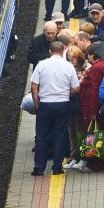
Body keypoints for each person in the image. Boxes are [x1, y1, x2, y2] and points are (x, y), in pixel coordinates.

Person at [30, 39, 80, 176]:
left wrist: (36, 104)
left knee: (41, 137)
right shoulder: (68, 66)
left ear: (50, 51)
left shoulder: (41, 65)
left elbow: (34, 87)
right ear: (63, 50)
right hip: (63, 104)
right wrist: (65, 93)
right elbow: (76, 88)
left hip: (45, 104)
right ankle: (57, 168)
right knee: (60, 136)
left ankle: (39, 168)